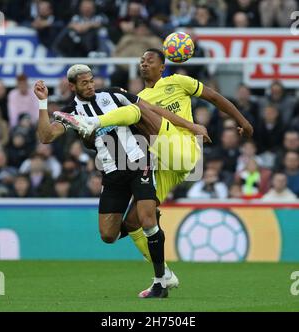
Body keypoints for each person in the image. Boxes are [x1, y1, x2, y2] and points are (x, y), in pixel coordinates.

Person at [54, 49, 253, 296]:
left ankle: (93, 121)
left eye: (150, 61)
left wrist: (241, 120)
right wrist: (90, 139)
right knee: (135, 222)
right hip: (164, 163)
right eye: (141, 60)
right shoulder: (137, 96)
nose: (144, 63)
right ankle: (162, 279)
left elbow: (213, 96)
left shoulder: (177, 82)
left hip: (182, 147)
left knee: (139, 111)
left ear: (162, 67)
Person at [34, 65, 204, 298]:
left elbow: (151, 109)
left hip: (138, 162)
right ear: (72, 86)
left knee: (147, 220)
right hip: (112, 173)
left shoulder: (114, 94)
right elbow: (46, 136)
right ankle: (163, 271)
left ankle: (160, 281)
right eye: (84, 83)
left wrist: (191, 125)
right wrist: (42, 103)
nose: (90, 85)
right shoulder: (71, 111)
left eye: (92, 80)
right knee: (108, 235)